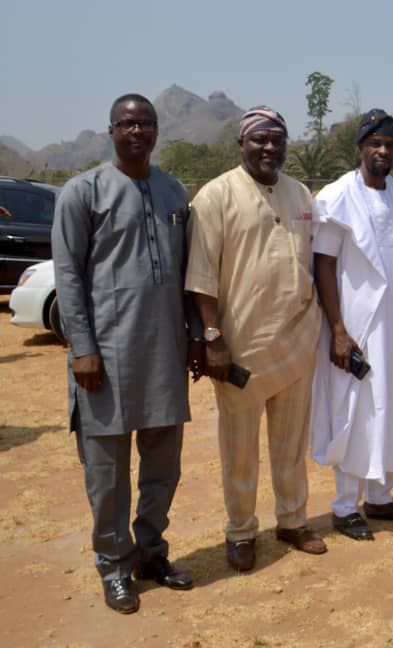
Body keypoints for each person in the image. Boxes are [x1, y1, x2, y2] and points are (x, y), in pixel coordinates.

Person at [53, 93, 196, 613]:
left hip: (164, 353)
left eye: (146, 123)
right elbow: (67, 275)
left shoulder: (173, 191)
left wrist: (197, 335)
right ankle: (114, 566)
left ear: (157, 132)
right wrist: (82, 349)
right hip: (105, 359)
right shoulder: (82, 192)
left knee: (163, 467)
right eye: (127, 123)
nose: (138, 131)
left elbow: (189, 274)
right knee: (108, 475)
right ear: (110, 131)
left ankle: (151, 553)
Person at [187, 106, 326, 571]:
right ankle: (241, 531)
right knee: (240, 450)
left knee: (290, 445)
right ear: (241, 144)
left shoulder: (301, 192)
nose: (270, 148)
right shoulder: (216, 196)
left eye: (277, 140)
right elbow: (201, 277)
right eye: (260, 139)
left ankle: (292, 521)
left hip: (296, 342)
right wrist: (213, 339)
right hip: (240, 348)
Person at [309, 109, 393, 541]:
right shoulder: (336, 197)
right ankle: (345, 507)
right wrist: (338, 329)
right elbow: (322, 265)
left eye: (390, 144)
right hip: (357, 328)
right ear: (361, 147)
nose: (383, 151)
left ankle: (381, 499)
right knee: (356, 411)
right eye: (375, 143)